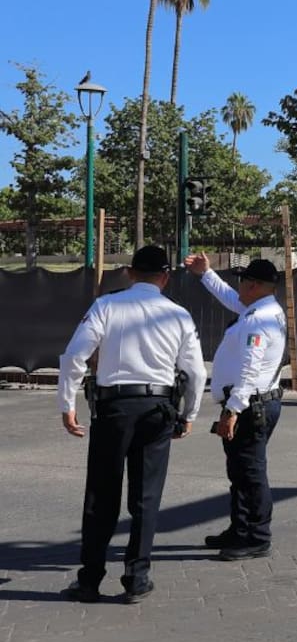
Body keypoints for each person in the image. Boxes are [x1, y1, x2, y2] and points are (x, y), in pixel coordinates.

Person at [57, 246, 206, 604]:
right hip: (158, 408)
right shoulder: (179, 315)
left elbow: (74, 355)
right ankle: (137, 578)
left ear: (130, 273)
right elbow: (197, 372)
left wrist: (67, 403)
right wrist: (189, 415)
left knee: (101, 496)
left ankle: (90, 579)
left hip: (114, 408)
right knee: (146, 497)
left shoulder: (107, 306)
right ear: (165, 277)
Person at [184, 254, 287, 560]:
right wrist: (206, 275)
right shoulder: (263, 309)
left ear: (254, 285)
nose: (238, 285)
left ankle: (257, 536)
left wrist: (232, 410)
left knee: (251, 473)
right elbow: (231, 298)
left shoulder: (258, 319)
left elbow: (249, 369)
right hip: (255, 402)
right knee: (240, 471)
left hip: (249, 406)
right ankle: (240, 529)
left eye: (243, 280)